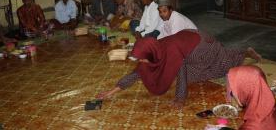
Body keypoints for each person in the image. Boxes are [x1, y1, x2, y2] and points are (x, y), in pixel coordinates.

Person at [97, 30, 261, 108]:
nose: (140, 61)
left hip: (200, 46)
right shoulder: (154, 51)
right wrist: (110, 93)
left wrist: (180, 98)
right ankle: (243, 52)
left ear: (150, 54)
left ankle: (243, 54)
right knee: (193, 73)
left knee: (220, 66)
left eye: (141, 58)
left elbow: (180, 71)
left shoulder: (170, 52)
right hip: (186, 44)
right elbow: (135, 74)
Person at [226, 65, 276, 130]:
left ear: (245, 91)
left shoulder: (253, 126)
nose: (233, 95)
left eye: (233, 92)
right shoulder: (269, 102)